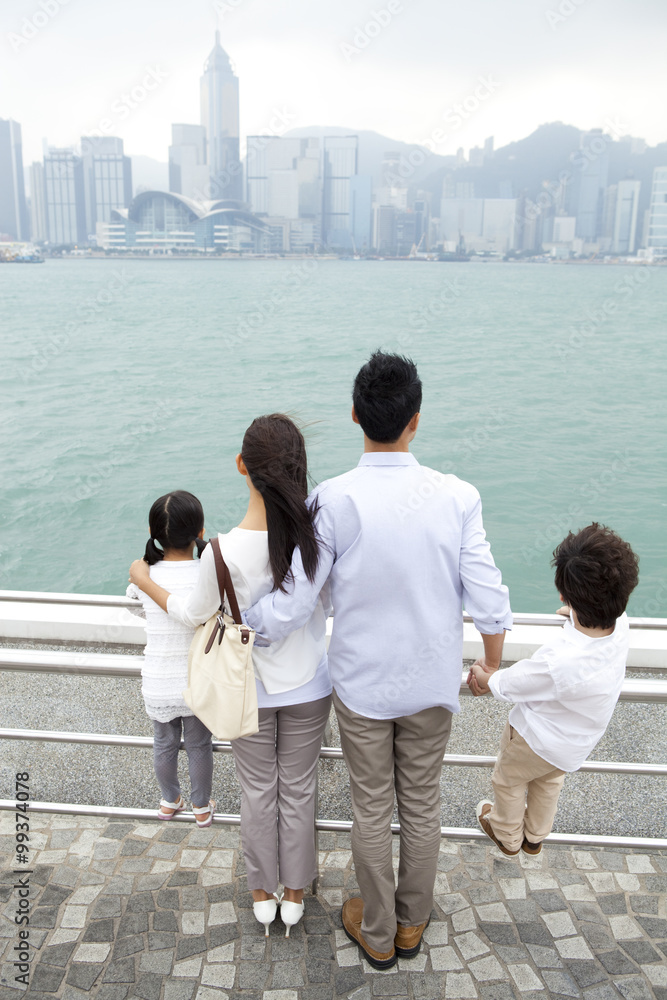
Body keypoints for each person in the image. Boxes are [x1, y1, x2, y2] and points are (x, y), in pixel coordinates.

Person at [242, 351, 512, 969]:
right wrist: (491, 665)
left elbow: (292, 606)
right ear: (416, 419)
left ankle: (379, 931)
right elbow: (490, 598)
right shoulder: (457, 496)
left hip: (362, 687)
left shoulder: (332, 500)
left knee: (371, 808)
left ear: (355, 415)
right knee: (421, 804)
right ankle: (413, 925)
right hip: (433, 683)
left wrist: (240, 625)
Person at [129, 415, 331, 937]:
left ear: (242, 466)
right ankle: (297, 892)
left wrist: (143, 580)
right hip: (309, 684)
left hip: (248, 691)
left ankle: (264, 891)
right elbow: (327, 602)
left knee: (258, 791)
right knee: (300, 789)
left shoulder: (218, 551)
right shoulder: (315, 537)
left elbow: (191, 614)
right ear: (298, 469)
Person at [468, 522, 639, 856]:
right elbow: (599, 609)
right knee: (548, 781)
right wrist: (577, 611)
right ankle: (535, 836)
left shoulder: (560, 660)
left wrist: (486, 679)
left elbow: (516, 682)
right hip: (574, 744)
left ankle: (507, 834)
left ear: (563, 593)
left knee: (509, 779)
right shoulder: (621, 625)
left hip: (535, 738)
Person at [126, 490, 215, 828]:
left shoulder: (144, 577)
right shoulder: (205, 573)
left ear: (155, 535)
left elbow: (135, 608)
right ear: (200, 532)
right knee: (198, 745)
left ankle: (168, 799)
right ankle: (201, 806)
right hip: (196, 679)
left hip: (158, 679)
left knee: (163, 744)